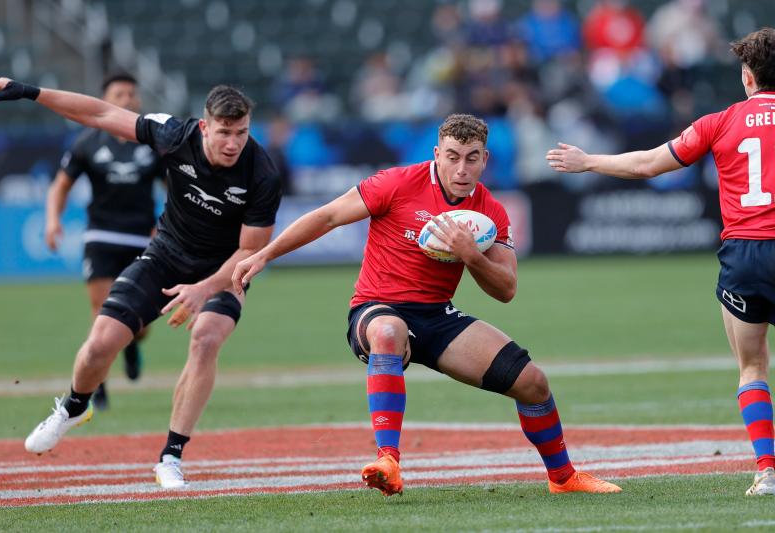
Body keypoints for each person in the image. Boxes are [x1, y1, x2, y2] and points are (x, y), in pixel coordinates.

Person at [231, 114, 621, 496]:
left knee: (532, 383)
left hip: (436, 316)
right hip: (376, 308)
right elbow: (329, 216)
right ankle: (388, 460)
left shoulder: (491, 212)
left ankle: (563, 477)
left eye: (472, 158)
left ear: (485, 160)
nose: (462, 168)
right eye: (452, 156)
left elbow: (506, 289)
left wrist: (472, 256)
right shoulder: (397, 183)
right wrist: (265, 255)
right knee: (389, 331)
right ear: (437, 154)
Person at [0, 77, 282, 489]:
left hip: (225, 270)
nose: (233, 143)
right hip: (166, 254)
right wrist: (31, 92)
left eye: (241, 133)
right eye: (224, 133)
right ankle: (73, 407)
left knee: (207, 338)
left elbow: (251, 252)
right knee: (101, 341)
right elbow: (100, 114)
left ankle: (171, 457)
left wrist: (205, 288)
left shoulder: (261, 172)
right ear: (205, 126)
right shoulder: (175, 134)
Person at [546, 27, 775, 496]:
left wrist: (588, 161)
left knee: (752, 367)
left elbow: (649, 164)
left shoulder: (719, 121)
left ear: (748, 78)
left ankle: (767, 472)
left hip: (745, 257)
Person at [45, 72, 163, 410]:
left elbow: (177, 192)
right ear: (105, 100)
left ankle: (132, 344)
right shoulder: (87, 143)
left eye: (131, 94)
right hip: (101, 236)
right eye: (119, 94)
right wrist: (53, 219)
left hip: (143, 238)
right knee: (102, 313)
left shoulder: (153, 145)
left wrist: (167, 227)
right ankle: (97, 387)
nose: (127, 99)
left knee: (138, 322)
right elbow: (61, 185)